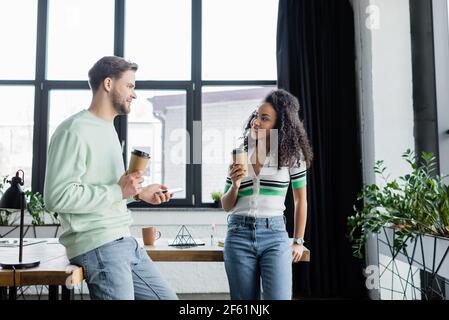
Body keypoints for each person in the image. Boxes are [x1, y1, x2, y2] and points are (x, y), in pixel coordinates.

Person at [44, 56, 178, 300]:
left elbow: (106, 192)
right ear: (108, 83)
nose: (134, 94)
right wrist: (119, 191)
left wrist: (139, 193)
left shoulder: (108, 129)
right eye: (129, 86)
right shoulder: (73, 130)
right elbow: (57, 197)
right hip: (99, 245)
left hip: (125, 240)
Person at [221, 89, 313, 300]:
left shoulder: (292, 156)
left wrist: (298, 240)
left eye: (264, 118)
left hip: (275, 235)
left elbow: (301, 201)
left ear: (279, 124)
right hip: (238, 233)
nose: (256, 121)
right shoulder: (240, 154)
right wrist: (234, 185)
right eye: (256, 115)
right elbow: (226, 206)